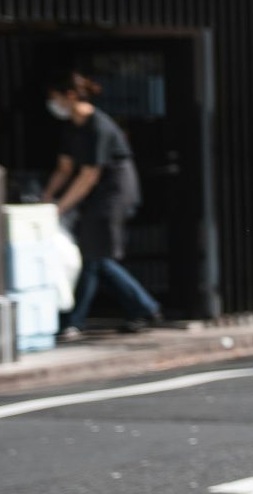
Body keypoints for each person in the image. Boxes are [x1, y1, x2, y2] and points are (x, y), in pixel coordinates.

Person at [42, 71, 164, 340]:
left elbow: (88, 175)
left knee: (95, 256)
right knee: (97, 258)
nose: (54, 105)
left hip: (114, 193)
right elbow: (64, 168)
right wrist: (46, 198)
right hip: (95, 195)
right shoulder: (72, 127)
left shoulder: (98, 125)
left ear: (70, 96)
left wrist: (59, 207)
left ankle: (78, 320)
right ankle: (141, 308)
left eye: (56, 98)